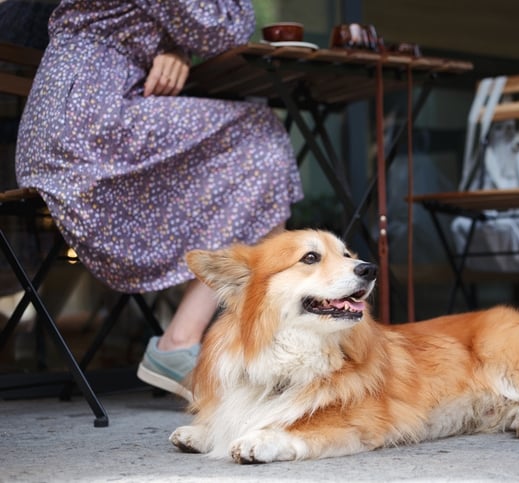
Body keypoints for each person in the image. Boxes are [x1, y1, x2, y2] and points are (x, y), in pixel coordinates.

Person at [15, 0, 304, 401]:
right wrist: (179, 42)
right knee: (259, 140)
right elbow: (223, 28)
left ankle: (212, 343)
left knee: (255, 161)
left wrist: (172, 49)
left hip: (93, 113)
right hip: (85, 120)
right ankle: (230, 343)